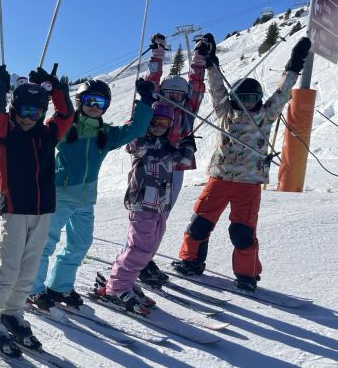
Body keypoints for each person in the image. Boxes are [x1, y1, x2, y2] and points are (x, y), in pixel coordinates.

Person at [172, 37, 312, 293]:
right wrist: (212, 63)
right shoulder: (224, 112)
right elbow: (216, 88)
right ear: (235, 98)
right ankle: (191, 261)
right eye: (243, 97)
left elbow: (282, 93)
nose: (247, 102)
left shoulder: (266, 114)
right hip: (220, 178)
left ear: (259, 98)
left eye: (253, 97)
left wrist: (294, 65)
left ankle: (247, 274)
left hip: (248, 184)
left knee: (242, 231)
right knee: (200, 222)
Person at [28, 77, 155, 309]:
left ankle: (59, 286)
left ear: (106, 106)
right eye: (89, 100)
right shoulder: (68, 128)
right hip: (60, 195)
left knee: (80, 244)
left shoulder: (105, 134)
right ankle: (33, 289)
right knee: (45, 243)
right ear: (80, 101)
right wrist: (48, 93)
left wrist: (145, 102)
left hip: (86, 200)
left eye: (100, 102)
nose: (94, 106)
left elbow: (135, 128)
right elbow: (46, 126)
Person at [0, 65, 73, 357]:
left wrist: (54, 86)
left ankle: (11, 311)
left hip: (43, 210)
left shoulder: (49, 133)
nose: (29, 118)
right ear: (15, 110)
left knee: (29, 268)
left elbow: (66, 114)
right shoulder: (5, 132)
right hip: (16, 209)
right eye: (24, 112)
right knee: (8, 267)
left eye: (36, 113)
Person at [93, 102, 197, 314]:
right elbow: (134, 144)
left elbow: (184, 160)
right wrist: (138, 122)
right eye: (154, 122)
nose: (159, 126)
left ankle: (124, 280)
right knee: (139, 248)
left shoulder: (167, 147)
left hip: (159, 205)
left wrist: (188, 143)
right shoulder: (142, 142)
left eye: (164, 123)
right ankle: (117, 287)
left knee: (147, 247)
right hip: (142, 203)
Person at [138, 32, 209, 285]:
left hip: (176, 166)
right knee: (146, 214)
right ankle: (138, 258)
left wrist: (200, 58)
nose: (174, 99)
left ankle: (146, 258)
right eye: (170, 94)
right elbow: (152, 79)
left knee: (162, 216)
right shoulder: (157, 104)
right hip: (152, 164)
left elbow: (197, 84)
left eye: (179, 95)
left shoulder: (189, 109)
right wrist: (157, 53)